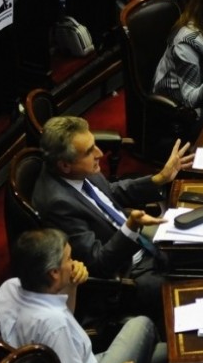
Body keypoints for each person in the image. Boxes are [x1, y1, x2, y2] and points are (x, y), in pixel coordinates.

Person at [32, 116, 194, 321]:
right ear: (65, 165)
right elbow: (99, 264)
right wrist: (130, 227)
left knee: (199, 251)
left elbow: (110, 192)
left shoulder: (77, 171)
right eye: (90, 151)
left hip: (140, 245)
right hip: (128, 275)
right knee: (189, 288)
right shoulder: (58, 204)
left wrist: (159, 178)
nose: (100, 153)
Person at [0, 229, 168, 363]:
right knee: (144, 325)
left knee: (166, 354)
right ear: (53, 272)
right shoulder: (54, 324)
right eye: (69, 259)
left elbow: (64, 312)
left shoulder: (9, 287)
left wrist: (71, 284)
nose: (74, 263)